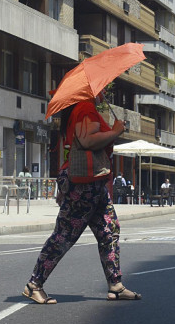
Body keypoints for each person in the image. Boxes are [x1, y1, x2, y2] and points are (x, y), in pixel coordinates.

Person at [22, 93, 141, 303]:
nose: (105, 91)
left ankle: (116, 285)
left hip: (92, 184)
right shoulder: (85, 108)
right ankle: (35, 284)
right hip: (85, 187)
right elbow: (86, 140)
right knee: (64, 236)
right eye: (103, 87)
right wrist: (115, 131)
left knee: (109, 230)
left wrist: (64, 186)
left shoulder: (80, 109)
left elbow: (71, 151)